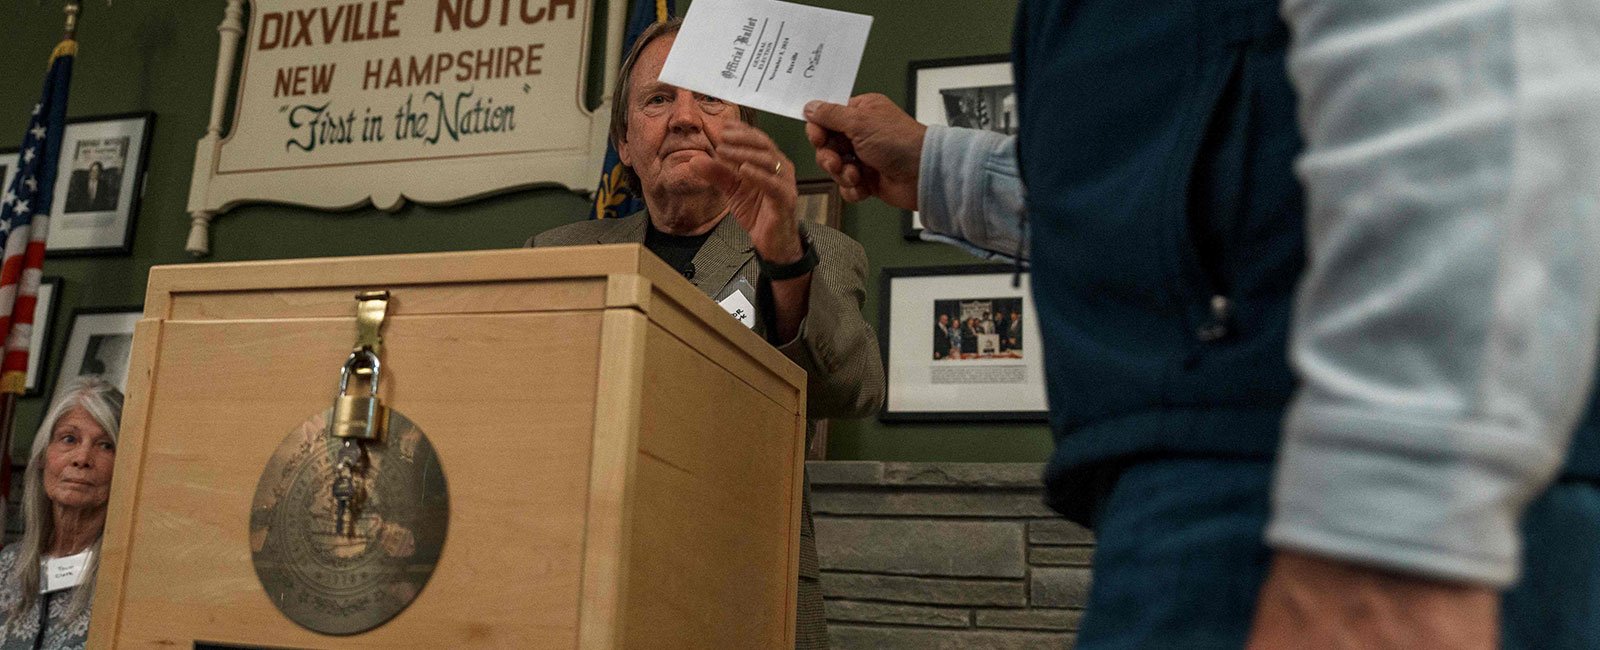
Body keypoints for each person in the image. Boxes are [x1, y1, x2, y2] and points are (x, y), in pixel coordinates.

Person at [803, 0, 1600, 646]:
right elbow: (1177, 188)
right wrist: (940, 168)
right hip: (1222, 486)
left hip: (1317, 493)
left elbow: (1475, 63)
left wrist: (1395, 541)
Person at [531, 18, 884, 649]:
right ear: (625, 142)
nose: (685, 117)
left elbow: (853, 388)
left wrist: (782, 254)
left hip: (741, 590)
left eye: (710, 97)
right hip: (576, 582)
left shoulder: (814, 250)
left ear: (743, 130)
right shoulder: (552, 253)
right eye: (659, 99)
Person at [0, 376, 124, 650]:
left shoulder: (129, 579)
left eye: (105, 445)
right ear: (43, 456)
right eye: (69, 439)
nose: (82, 458)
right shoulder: (6, 565)